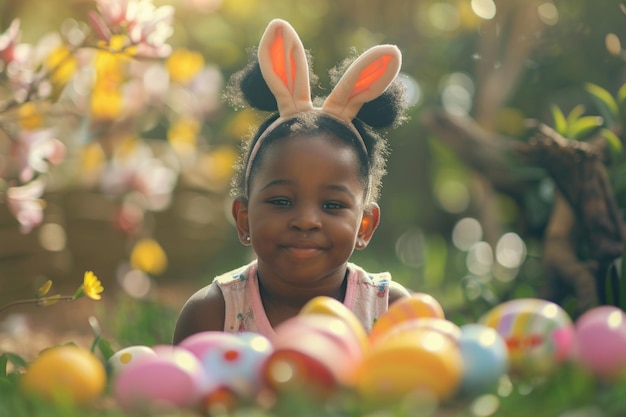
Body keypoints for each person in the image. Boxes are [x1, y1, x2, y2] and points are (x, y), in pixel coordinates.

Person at [173, 18, 411, 344]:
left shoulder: (389, 313)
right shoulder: (212, 315)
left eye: (332, 205)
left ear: (365, 225)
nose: (306, 221)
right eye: (281, 201)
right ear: (244, 219)